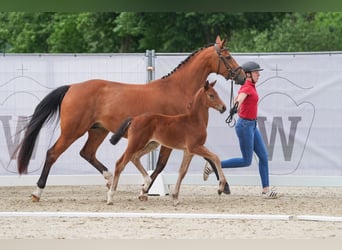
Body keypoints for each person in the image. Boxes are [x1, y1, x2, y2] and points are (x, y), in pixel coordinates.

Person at [203, 61, 281, 199]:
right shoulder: (247, 87)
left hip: (252, 125)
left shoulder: (250, 86)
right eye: (256, 72)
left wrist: (235, 104)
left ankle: (266, 190)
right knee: (246, 161)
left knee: (263, 157)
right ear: (248, 74)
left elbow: (237, 98)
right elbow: (240, 98)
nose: (259, 74)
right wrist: (236, 106)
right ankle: (213, 165)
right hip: (245, 126)